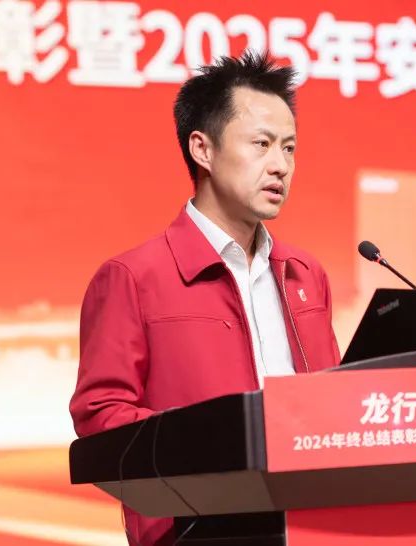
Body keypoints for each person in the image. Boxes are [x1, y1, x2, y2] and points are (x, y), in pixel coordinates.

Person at [69, 51, 341, 545]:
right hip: (196, 531)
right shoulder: (133, 278)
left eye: (289, 148)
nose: (280, 166)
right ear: (203, 149)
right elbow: (101, 417)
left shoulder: (305, 274)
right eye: (261, 144)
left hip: (314, 529)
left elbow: (332, 404)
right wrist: (220, 439)